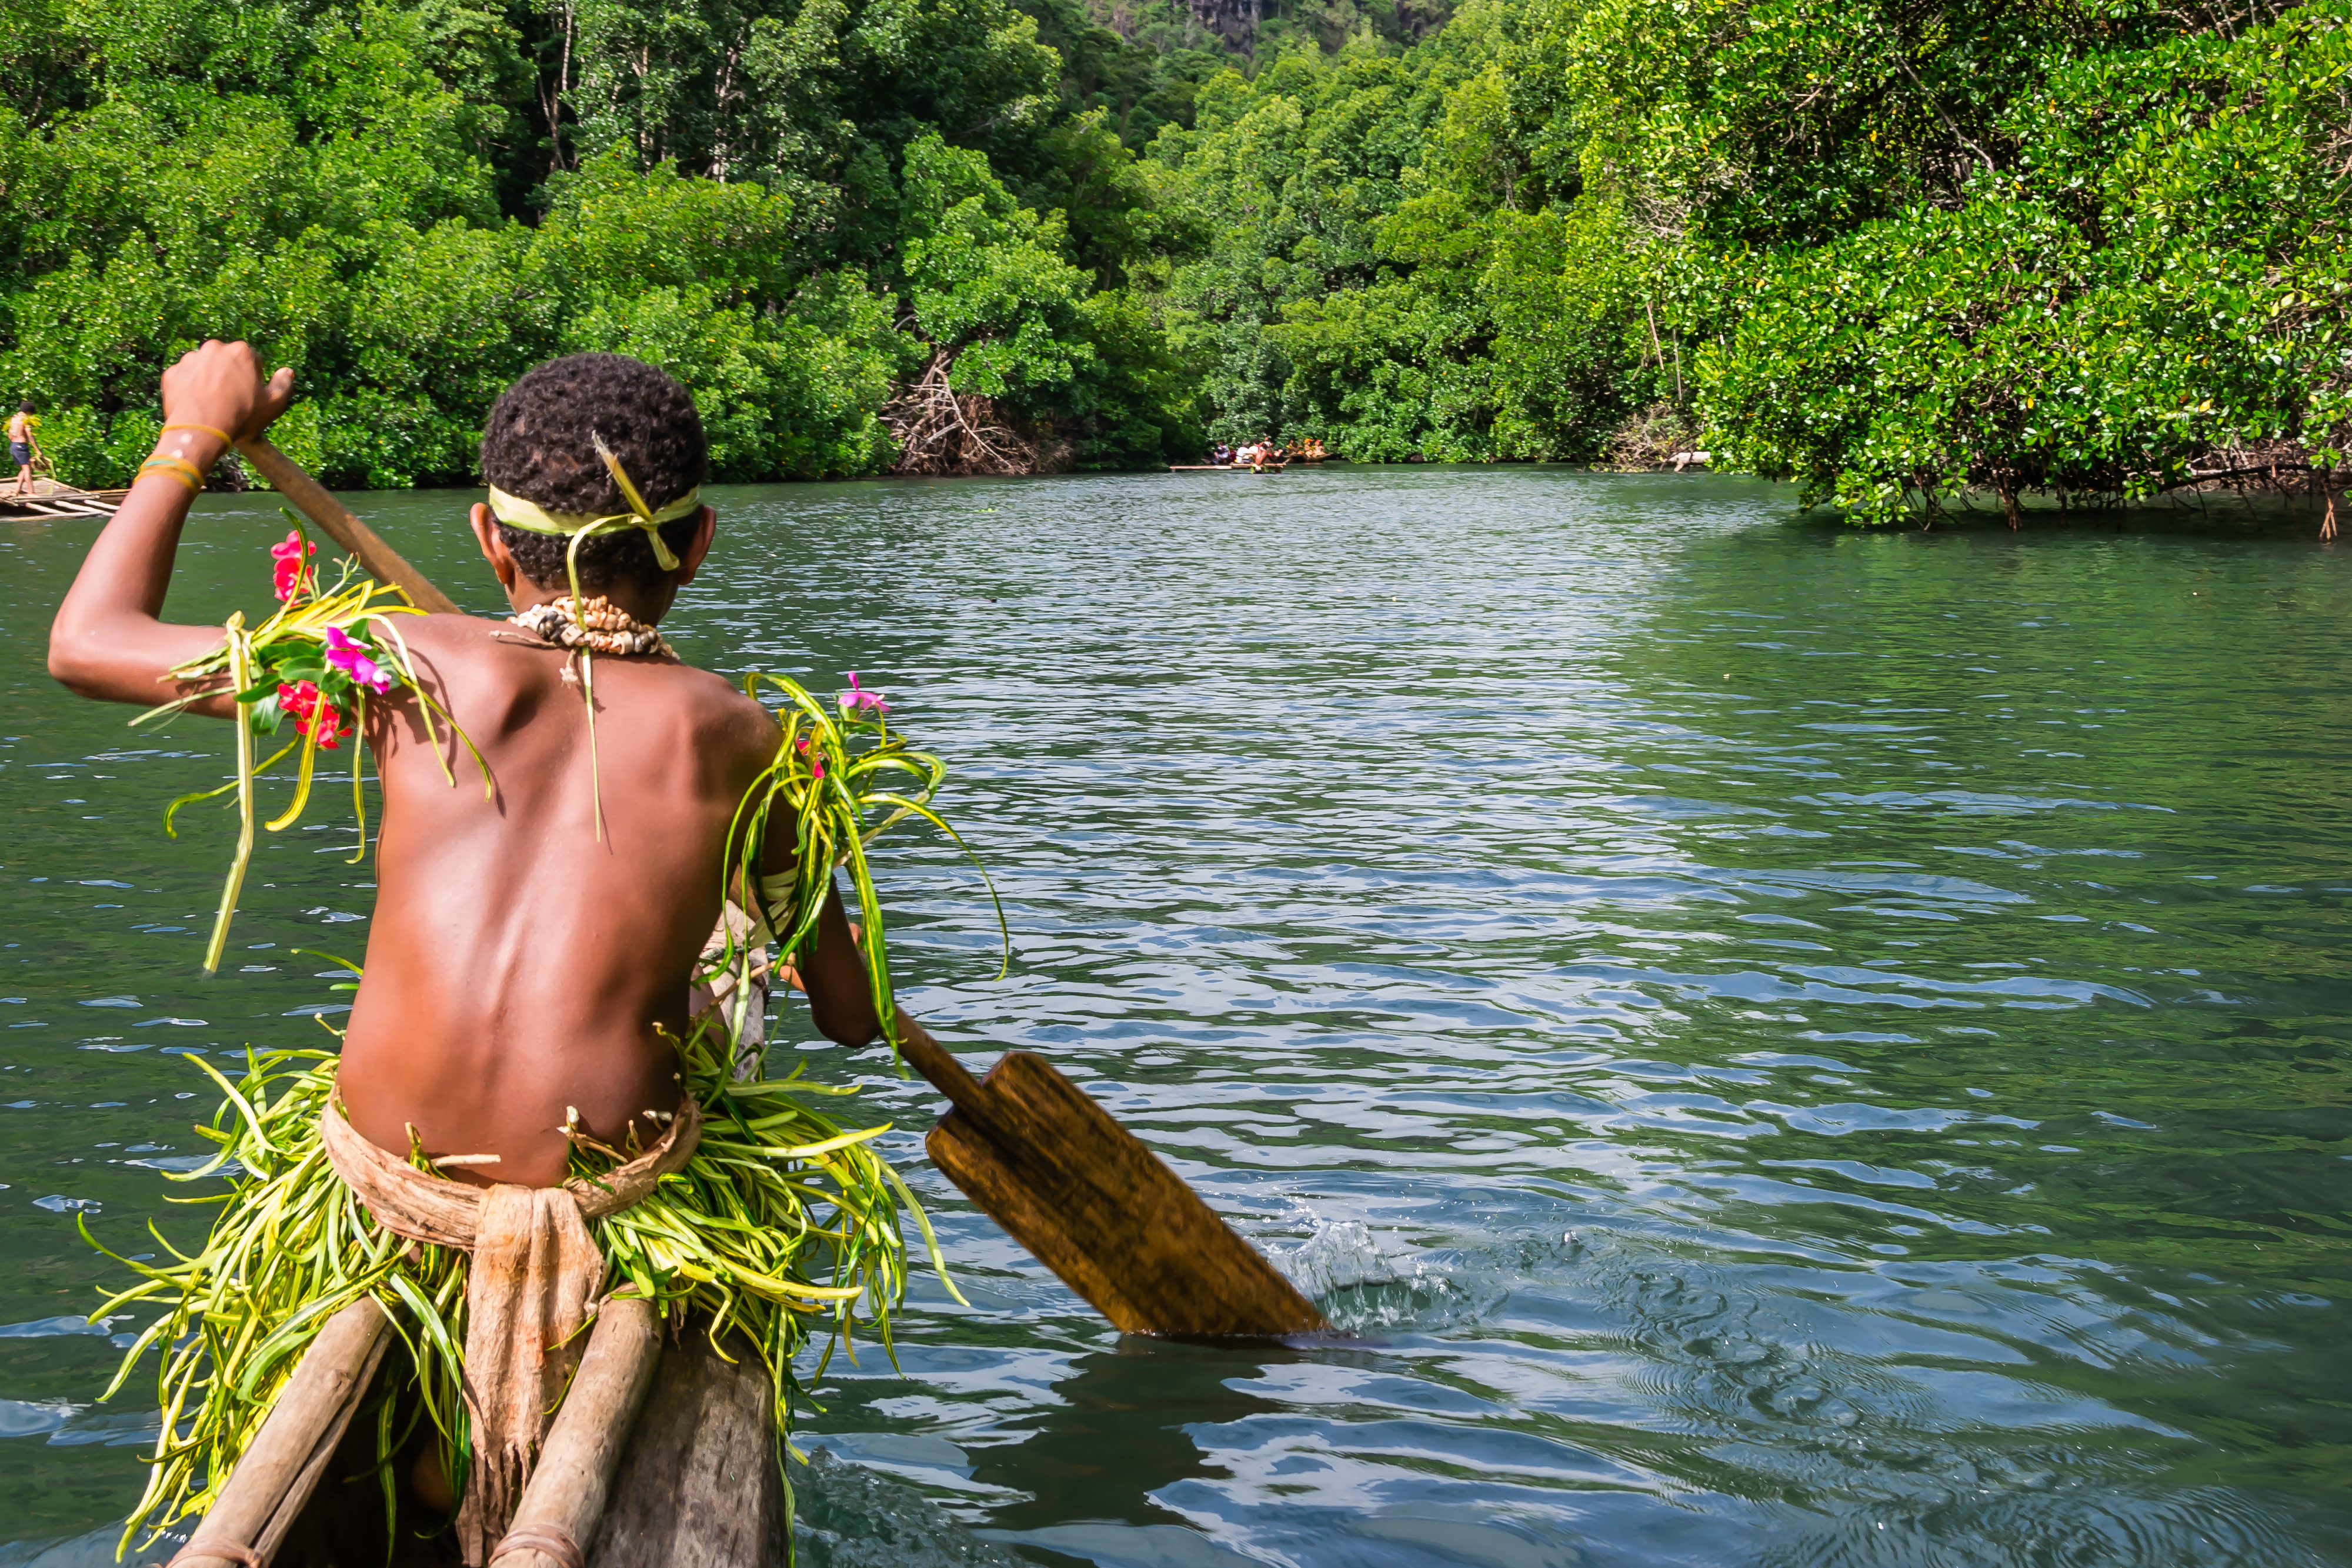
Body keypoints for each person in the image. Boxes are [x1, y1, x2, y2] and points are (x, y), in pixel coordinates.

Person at [47, 342, 905, 1562]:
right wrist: (803, 861)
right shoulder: (748, 741)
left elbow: (88, 642)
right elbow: (852, 1014)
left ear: (489, 540)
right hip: (611, 1200)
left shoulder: (407, 664)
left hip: (387, 1185)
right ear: (699, 542)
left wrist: (191, 434)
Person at [8, 401, 38, 496]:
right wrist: (37, 450)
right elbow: (30, 435)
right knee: (27, 469)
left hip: (14, 446)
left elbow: (10, 434)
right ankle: (31, 491)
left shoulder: (14, 419)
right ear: (29, 412)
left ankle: (18, 489)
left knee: (26, 468)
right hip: (21, 447)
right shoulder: (25, 420)